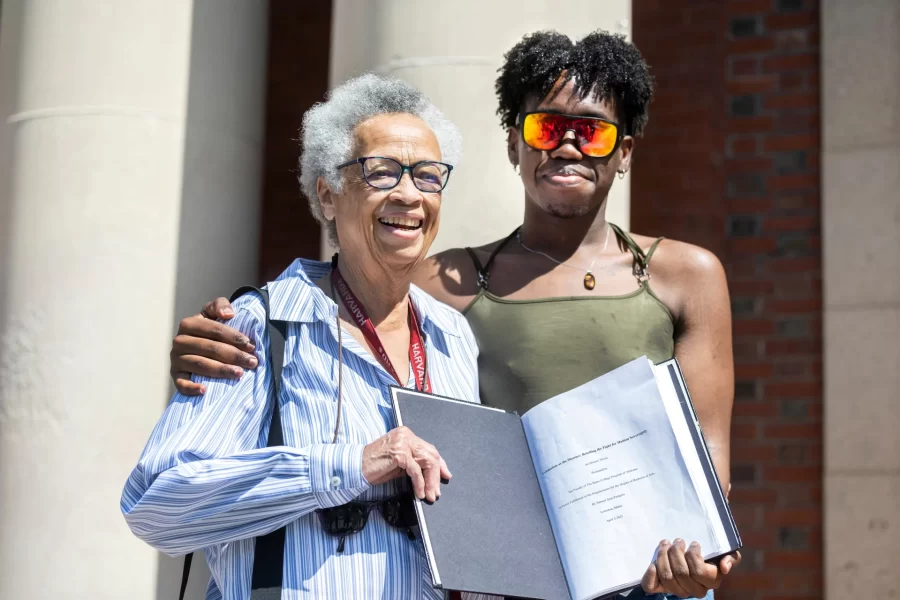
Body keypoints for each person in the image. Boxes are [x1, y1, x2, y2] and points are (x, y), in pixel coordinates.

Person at [168, 31, 740, 599]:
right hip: (517, 590)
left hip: (655, 583)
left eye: (590, 131)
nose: (567, 146)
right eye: (545, 127)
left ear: (625, 152)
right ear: (515, 144)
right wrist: (225, 327)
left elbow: (709, 475)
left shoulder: (686, 276)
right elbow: (345, 294)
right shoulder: (442, 284)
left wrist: (702, 558)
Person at [122, 74, 497, 600]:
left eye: (428, 175)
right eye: (382, 172)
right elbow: (157, 508)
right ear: (327, 195)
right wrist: (350, 465)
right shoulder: (258, 324)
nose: (409, 194)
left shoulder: (452, 335)